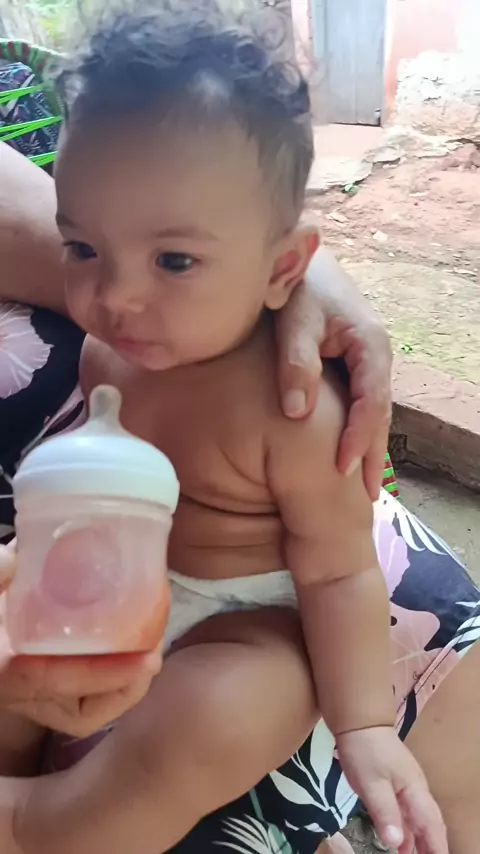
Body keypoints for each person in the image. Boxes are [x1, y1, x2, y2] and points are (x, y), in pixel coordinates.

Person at [0, 14, 478, 854]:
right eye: (82, 248)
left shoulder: (294, 410)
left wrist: (365, 725)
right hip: (134, 571)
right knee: (23, 642)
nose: (114, 298)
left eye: (173, 261)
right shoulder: (115, 347)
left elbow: (338, 572)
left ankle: (43, 824)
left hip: (249, 617)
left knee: (224, 713)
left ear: (285, 267)